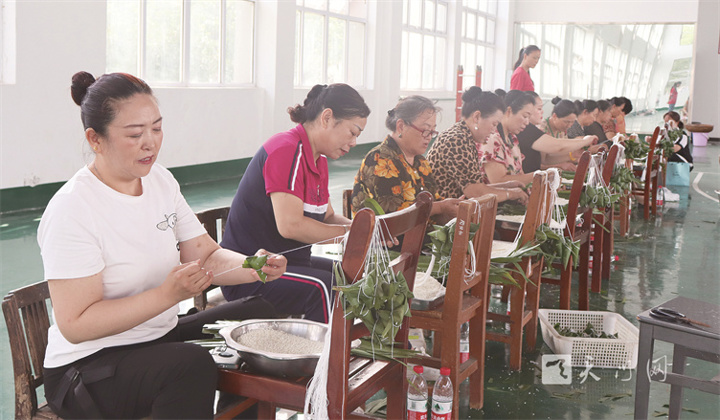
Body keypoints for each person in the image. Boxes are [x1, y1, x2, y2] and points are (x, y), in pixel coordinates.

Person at [38, 72, 287, 419]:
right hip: (88, 367)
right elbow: (76, 324)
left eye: (156, 128)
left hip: (155, 338)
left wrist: (252, 266)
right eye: (135, 134)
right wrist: (167, 295)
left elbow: (207, 256)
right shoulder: (74, 208)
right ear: (95, 139)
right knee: (189, 366)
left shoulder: (160, 181)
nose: (150, 143)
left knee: (260, 313)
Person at [220, 83, 370, 324]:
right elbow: (290, 226)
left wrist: (366, 230)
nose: (353, 142)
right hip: (252, 270)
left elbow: (328, 216)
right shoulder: (286, 150)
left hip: (288, 264)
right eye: (352, 132)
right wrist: (348, 236)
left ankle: (340, 351)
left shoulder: (317, 159)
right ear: (327, 118)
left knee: (349, 275)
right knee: (325, 287)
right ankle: (318, 360)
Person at [350, 96, 461, 223]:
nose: (429, 137)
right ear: (401, 126)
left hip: (417, 237)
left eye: (432, 131)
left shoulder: (421, 162)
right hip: (389, 240)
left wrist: (452, 210)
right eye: (425, 130)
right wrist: (441, 207)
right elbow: (394, 216)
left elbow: (433, 202)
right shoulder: (380, 159)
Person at [427, 87, 528, 204]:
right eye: (494, 124)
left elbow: (474, 185)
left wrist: (506, 186)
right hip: (444, 217)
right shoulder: (457, 140)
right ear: (476, 117)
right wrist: (510, 193)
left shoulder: (465, 136)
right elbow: (475, 192)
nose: (494, 130)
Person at [516, 91, 597, 173]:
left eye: (572, 122)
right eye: (539, 108)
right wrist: (585, 141)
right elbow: (557, 146)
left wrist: (572, 155)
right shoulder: (532, 129)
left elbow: (546, 159)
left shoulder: (531, 128)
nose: (542, 112)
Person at [478, 90, 535, 185]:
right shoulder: (492, 138)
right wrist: (537, 176)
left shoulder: (512, 139)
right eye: (525, 116)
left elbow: (520, 175)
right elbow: (498, 181)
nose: (527, 122)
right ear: (509, 111)